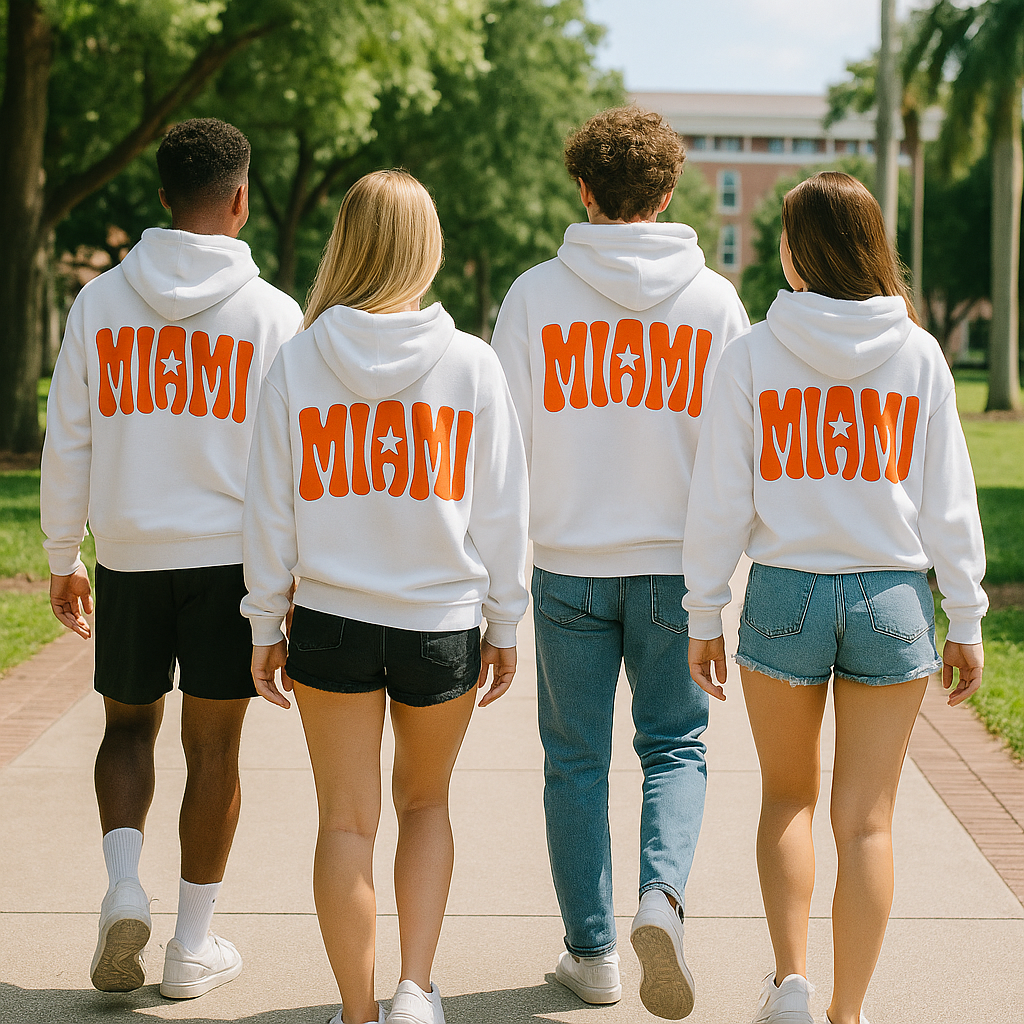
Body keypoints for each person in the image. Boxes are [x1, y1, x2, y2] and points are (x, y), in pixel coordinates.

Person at [682, 171, 987, 1024]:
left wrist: (705, 610)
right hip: (891, 596)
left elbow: (719, 498)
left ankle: (789, 986)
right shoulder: (919, 353)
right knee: (869, 823)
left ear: (798, 249)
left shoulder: (751, 354)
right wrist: (963, 616)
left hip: (784, 593)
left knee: (788, 798)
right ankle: (846, 1014)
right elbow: (947, 501)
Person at [242, 168, 529, 1024]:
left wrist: (264, 620)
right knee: (426, 802)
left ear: (348, 244)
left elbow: (270, 509)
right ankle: (414, 991)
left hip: (330, 619)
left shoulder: (299, 360)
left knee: (345, 823)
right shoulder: (471, 365)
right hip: (439, 623)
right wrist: (505, 619)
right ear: (428, 248)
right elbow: (505, 508)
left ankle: (356, 1013)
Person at [491, 106, 749, 1020]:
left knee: (574, 759)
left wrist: (500, 598)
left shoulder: (533, 297)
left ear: (585, 190)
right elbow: (733, 454)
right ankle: (661, 901)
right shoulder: (714, 303)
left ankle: (591, 953)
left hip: (567, 563)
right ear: (670, 191)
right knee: (675, 745)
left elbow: (501, 453)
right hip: (677, 570)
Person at [40, 118, 303, 998]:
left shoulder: (99, 302)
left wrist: (60, 552)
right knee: (215, 750)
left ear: (159, 199)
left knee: (126, 728)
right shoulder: (272, 315)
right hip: (230, 563)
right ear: (239, 200)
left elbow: (67, 437)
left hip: (128, 553)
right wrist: (287, 577)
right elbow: (288, 461)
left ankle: (123, 886)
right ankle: (192, 947)